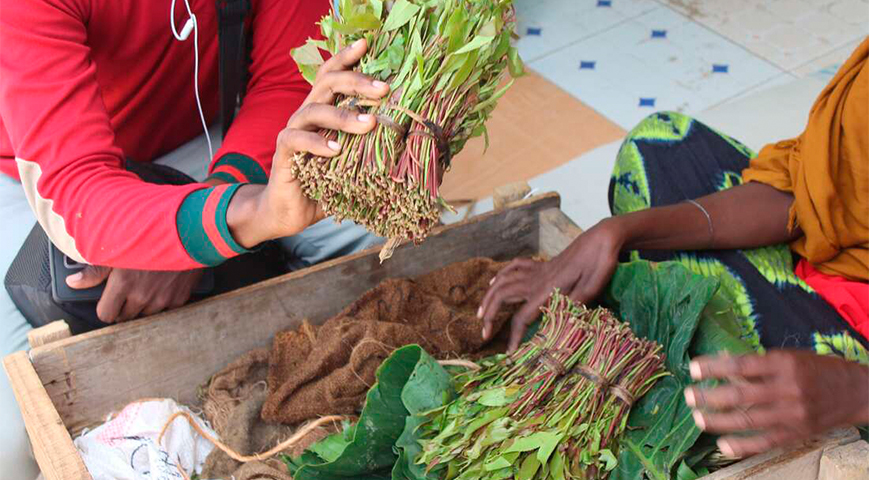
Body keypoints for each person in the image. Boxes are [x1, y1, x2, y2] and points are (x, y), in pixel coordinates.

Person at [0, 0, 389, 474]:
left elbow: (290, 79)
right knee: (13, 439)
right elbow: (76, 189)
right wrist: (228, 222)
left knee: (379, 248)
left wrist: (218, 202)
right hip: (33, 168)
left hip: (215, 136)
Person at [480, 38, 869, 459]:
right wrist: (620, 232)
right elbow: (806, 191)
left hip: (851, 360)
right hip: (821, 265)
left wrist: (854, 392)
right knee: (659, 145)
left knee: (740, 360)